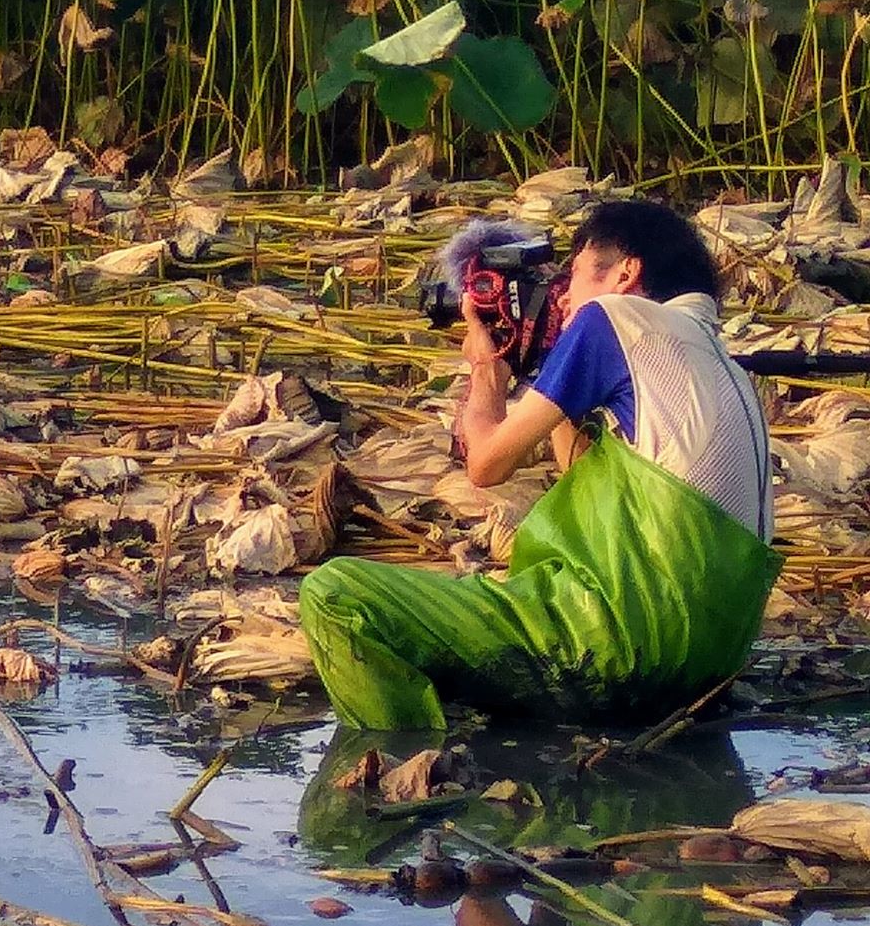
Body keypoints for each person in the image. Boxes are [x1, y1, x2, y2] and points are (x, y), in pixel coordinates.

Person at [298, 200, 780, 730]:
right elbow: (585, 480)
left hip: (626, 644)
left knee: (335, 593)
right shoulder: (718, 362)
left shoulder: (614, 319)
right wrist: (550, 367)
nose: (564, 298)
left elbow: (485, 464)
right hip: (708, 667)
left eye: (572, 277)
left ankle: (401, 769)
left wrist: (488, 368)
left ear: (626, 272)